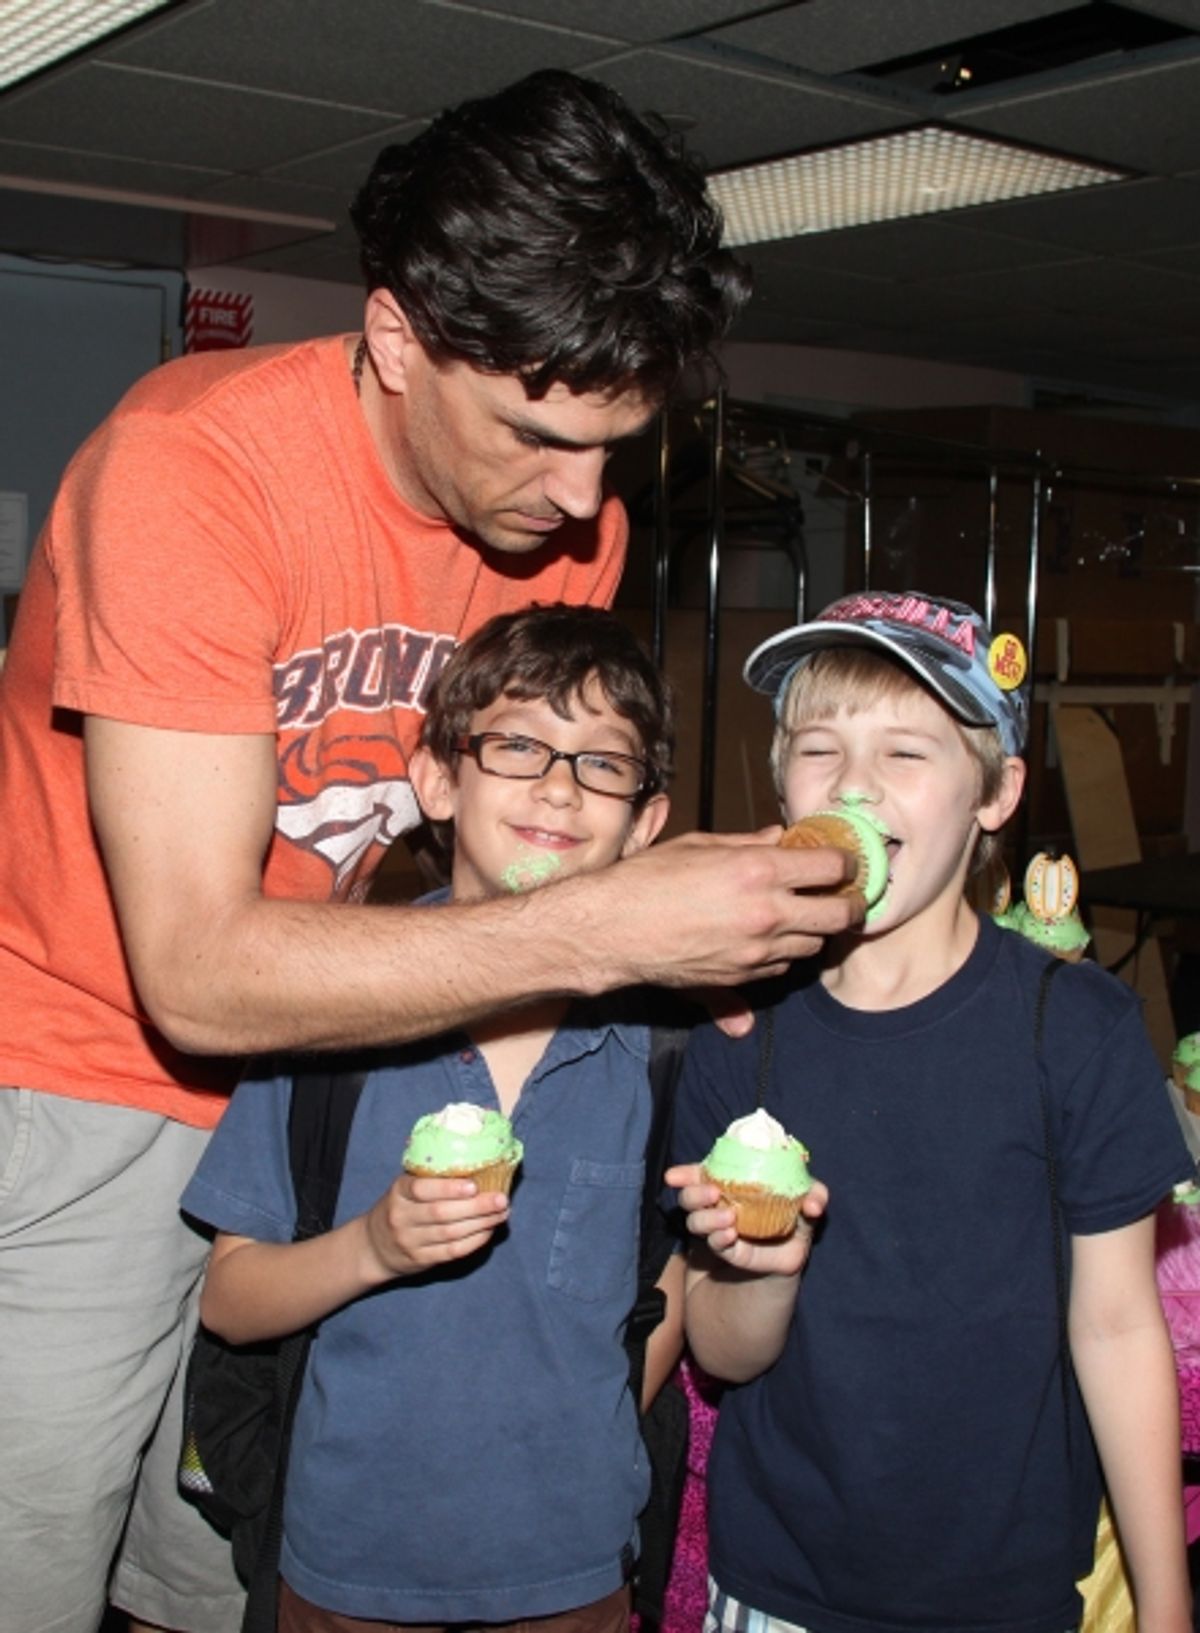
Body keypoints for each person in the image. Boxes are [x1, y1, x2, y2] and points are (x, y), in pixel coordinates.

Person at [0, 68, 866, 1633]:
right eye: (539, 435)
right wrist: (618, 932)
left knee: (238, 1556)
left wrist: (695, 961)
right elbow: (194, 974)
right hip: (85, 1072)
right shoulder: (193, 470)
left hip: (353, 1061)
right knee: (35, 1559)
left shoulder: (568, 508)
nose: (586, 503)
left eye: (621, 446)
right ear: (396, 340)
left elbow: (515, 837)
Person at [666, 590, 1196, 1633]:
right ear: (782, 782)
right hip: (779, 1585)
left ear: (994, 793)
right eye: (820, 748)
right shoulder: (739, 1028)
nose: (855, 783)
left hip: (1007, 1589)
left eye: (907, 753)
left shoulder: (1075, 1029)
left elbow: (1120, 1323)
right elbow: (721, 1356)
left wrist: (1168, 1606)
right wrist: (760, 1270)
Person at [182, 603, 686, 1632]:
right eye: (517, 745)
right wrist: (373, 1243)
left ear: (646, 822)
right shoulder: (324, 1013)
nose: (558, 784)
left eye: (602, 762)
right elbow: (231, 1301)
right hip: (344, 1568)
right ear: (438, 781)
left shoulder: (663, 1050)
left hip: (573, 1569)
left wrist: (581, 1437)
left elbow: (660, 1292)